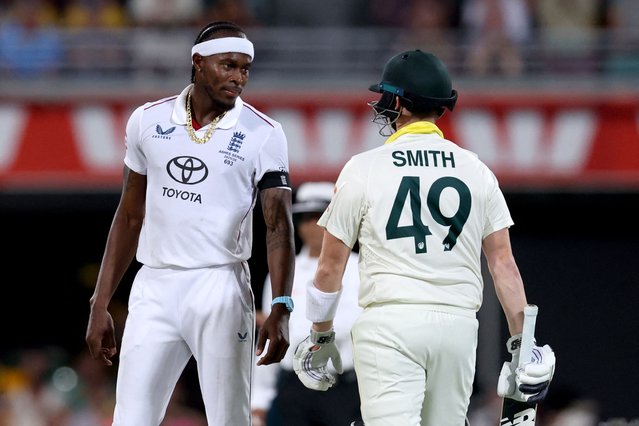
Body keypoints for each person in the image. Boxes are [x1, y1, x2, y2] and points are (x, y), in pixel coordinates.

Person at [292, 49, 556, 425]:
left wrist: (319, 337)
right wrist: (522, 345)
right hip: (458, 328)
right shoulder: (476, 169)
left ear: (398, 102)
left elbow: (330, 268)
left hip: (390, 325)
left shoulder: (363, 168)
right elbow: (503, 265)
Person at [85, 21, 296, 426]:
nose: (239, 78)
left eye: (245, 69)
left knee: (229, 419)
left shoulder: (265, 133)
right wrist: (100, 302)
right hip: (155, 285)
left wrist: (281, 306)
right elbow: (129, 215)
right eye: (228, 65)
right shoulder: (147, 120)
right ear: (198, 63)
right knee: (130, 418)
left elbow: (278, 226)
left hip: (220, 286)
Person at [251, 181, 363, 426]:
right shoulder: (282, 272)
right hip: (294, 387)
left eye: (319, 217)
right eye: (305, 218)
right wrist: (258, 401)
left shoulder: (360, 268)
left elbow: (358, 325)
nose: (312, 226)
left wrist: (304, 332)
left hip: (344, 388)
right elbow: (271, 335)